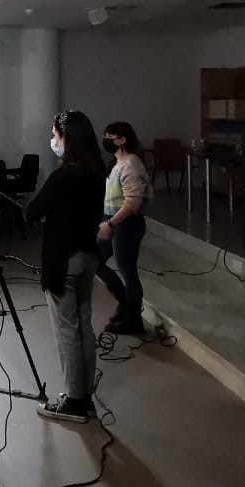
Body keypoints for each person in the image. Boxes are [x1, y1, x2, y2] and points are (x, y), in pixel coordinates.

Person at [23, 110, 107, 423]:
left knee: (67, 332)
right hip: (88, 257)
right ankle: (84, 397)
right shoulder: (97, 171)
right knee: (83, 327)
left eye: (55, 135)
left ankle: (73, 401)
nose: (53, 141)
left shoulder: (64, 175)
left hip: (64, 261)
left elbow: (32, 211)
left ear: (67, 138)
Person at [96, 121, 153, 336]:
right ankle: (124, 304)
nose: (106, 141)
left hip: (127, 224)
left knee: (128, 271)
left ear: (123, 139)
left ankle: (134, 319)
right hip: (113, 222)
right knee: (95, 260)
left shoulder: (131, 164)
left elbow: (132, 203)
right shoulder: (116, 163)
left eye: (110, 137)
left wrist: (111, 224)